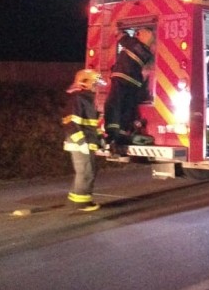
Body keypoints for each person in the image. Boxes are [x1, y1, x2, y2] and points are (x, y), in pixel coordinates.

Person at [104, 27, 154, 151]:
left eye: (138, 34)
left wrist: (119, 29)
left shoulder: (133, 43)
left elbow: (120, 36)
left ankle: (113, 134)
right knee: (126, 108)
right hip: (133, 84)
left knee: (113, 105)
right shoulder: (146, 53)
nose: (136, 35)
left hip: (121, 79)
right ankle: (123, 133)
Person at [62, 69, 106, 211]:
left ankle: (75, 199)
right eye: (94, 83)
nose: (96, 86)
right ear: (84, 83)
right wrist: (81, 143)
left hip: (87, 142)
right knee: (86, 172)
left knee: (86, 171)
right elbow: (70, 123)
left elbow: (92, 124)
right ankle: (82, 203)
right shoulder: (78, 98)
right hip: (80, 143)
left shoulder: (87, 99)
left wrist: (99, 139)